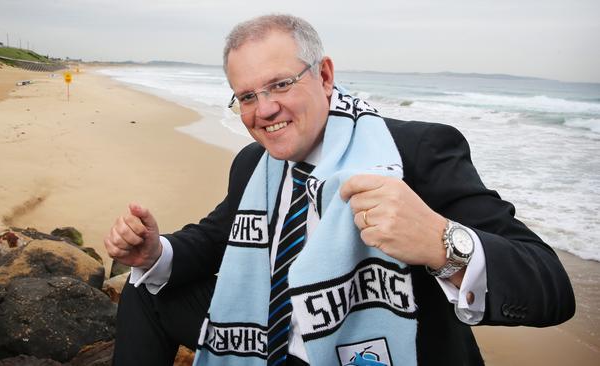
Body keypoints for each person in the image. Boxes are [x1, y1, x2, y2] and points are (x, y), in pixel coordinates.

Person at [105, 14, 575, 366]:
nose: (264, 109)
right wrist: (154, 252)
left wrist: (440, 241)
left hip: (381, 350)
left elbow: (550, 288)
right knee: (145, 290)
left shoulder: (415, 150)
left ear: (324, 76)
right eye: (247, 96)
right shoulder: (255, 162)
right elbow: (214, 238)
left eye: (280, 85)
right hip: (268, 329)